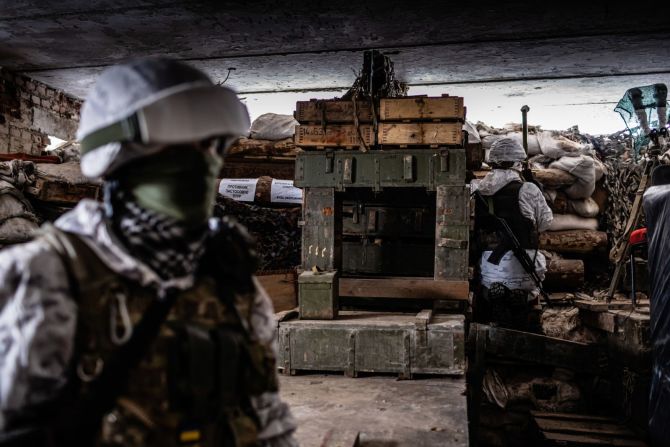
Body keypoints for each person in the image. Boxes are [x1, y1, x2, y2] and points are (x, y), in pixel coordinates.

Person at [0, 58, 297, 446]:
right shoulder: (44, 276)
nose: (203, 159)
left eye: (210, 143)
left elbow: (263, 414)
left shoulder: (225, 273)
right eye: (177, 144)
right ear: (118, 156)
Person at [473, 137, 553, 330]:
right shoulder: (527, 189)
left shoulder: (477, 189)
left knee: (487, 286)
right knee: (530, 288)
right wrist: (534, 186)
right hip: (524, 268)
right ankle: (522, 296)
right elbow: (545, 224)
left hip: (489, 267)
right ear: (519, 163)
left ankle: (495, 295)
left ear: (491, 162)